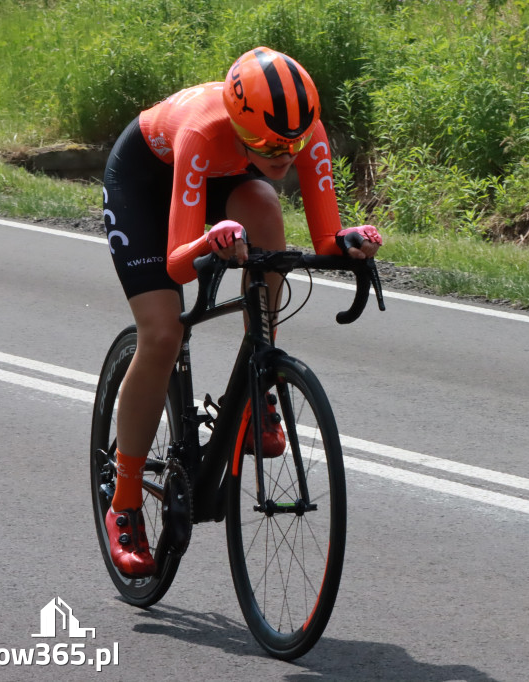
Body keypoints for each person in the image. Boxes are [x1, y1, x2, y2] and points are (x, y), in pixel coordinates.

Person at [100, 46, 381, 577]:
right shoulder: (204, 130)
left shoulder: (302, 130)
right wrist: (210, 238)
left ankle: (257, 385)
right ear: (240, 122)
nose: (284, 155)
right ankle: (126, 502)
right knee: (161, 335)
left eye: (292, 145)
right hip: (149, 180)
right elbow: (180, 265)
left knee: (267, 211)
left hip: (225, 175)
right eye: (270, 144)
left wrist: (348, 243)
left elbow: (324, 236)